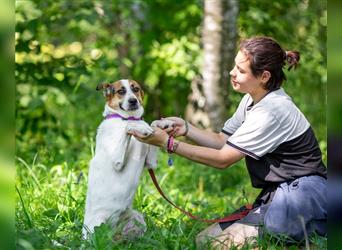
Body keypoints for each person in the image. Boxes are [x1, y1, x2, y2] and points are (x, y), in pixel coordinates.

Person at [128, 36, 327, 249]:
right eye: (234, 66)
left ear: (264, 76)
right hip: (279, 194)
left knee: (219, 245)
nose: (232, 72)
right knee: (204, 241)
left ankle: (311, 235)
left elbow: (223, 159)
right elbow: (223, 141)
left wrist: (168, 144)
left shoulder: (272, 110)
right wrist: (186, 128)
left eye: (241, 70)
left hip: (303, 198)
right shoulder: (253, 98)